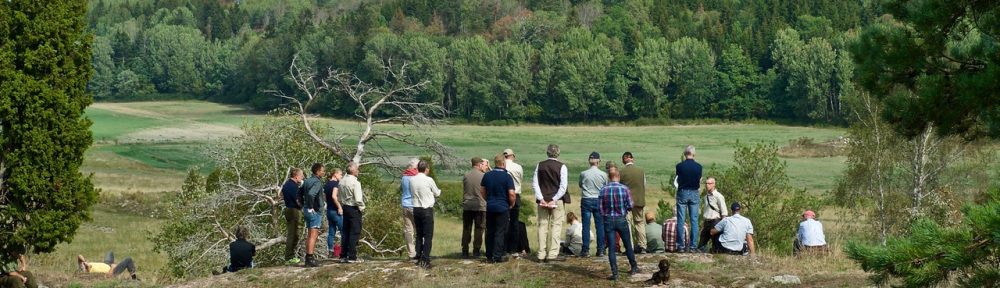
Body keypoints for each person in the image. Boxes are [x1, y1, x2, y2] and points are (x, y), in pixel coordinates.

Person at [599, 167, 640, 280]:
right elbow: (630, 205)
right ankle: (633, 266)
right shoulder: (624, 189)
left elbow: (600, 208)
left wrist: (605, 215)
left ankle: (615, 273)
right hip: (621, 218)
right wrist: (625, 210)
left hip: (608, 219)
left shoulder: (603, 190)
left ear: (609, 177)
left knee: (611, 247)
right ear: (618, 176)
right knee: (627, 244)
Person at [532, 144, 569, 262]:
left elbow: (535, 183)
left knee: (542, 226)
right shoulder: (562, 167)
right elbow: (563, 187)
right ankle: (552, 254)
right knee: (556, 226)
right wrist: (554, 198)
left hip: (542, 199)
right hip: (556, 200)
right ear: (558, 153)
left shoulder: (540, 165)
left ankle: (541, 253)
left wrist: (541, 198)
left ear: (547, 153)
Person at [482, 154, 516, 263]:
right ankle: (497, 255)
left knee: (490, 231)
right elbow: (511, 194)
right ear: (503, 163)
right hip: (502, 206)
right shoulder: (507, 176)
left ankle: (489, 255)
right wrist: (512, 203)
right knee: (500, 232)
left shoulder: (487, 175)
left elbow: (482, 191)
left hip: (490, 206)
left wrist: (487, 200)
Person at [410, 160, 442, 269]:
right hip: (426, 209)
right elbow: (437, 193)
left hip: (416, 208)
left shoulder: (412, 180)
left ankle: (418, 255)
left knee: (419, 234)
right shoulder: (429, 180)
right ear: (427, 169)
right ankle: (425, 259)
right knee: (428, 235)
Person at [578, 151, 609, 257]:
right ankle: (600, 249)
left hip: (586, 199)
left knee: (586, 226)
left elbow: (580, 185)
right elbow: (605, 187)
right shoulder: (603, 174)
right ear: (598, 161)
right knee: (600, 225)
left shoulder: (583, 173)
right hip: (598, 200)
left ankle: (585, 250)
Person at [675, 145, 703, 253]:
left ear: (685, 153)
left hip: (682, 192)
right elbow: (699, 179)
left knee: (681, 220)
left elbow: (678, 178)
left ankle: (681, 246)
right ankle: (693, 246)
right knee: (694, 220)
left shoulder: (679, 166)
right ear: (694, 154)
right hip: (694, 192)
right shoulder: (699, 167)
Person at [620, 152, 648, 254]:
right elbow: (644, 185)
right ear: (632, 158)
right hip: (639, 201)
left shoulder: (621, 172)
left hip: (626, 202)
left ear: (625, 159)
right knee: (639, 223)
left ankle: (629, 247)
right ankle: (643, 246)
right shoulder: (641, 171)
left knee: (627, 223)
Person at [461, 157, 489, 259]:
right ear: (479, 164)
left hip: (467, 205)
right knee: (479, 228)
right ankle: (476, 250)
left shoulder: (466, 175)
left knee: (466, 228)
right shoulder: (483, 176)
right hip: (480, 205)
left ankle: (464, 250)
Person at [299, 163, 326, 267]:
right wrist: (311, 207)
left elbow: (299, 193)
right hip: (314, 211)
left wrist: (303, 205)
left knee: (310, 235)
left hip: (306, 210)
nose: (324, 172)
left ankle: (308, 258)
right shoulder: (317, 182)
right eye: (322, 170)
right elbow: (311, 194)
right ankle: (310, 258)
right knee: (313, 235)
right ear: (318, 171)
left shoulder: (306, 181)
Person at [339, 162, 366, 263]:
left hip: (345, 207)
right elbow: (358, 198)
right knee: (354, 232)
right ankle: (352, 256)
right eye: (357, 169)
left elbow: (339, 196)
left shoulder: (341, 181)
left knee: (345, 231)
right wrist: (362, 207)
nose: (358, 171)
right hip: (353, 208)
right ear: (353, 170)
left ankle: (343, 255)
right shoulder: (355, 183)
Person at [502, 149, 524, 257]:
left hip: (504, 195)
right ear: (513, 156)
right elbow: (521, 179)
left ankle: (504, 247)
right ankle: (513, 248)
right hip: (516, 193)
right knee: (514, 222)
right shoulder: (518, 167)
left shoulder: (502, 166)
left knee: (504, 221)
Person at [281, 168, 305, 264]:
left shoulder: (286, 185)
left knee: (294, 233)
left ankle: (290, 256)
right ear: (296, 176)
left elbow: (282, 196)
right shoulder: (293, 186)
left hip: (288, 209)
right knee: (293, 234)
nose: (302, 177)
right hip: (293, 210)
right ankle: (289, 257)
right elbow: (297, 200)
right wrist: (302, 206)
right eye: (301, 175)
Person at [699, 177, 727, 253]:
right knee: (701, 244)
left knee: (716, 244)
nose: (707, 185)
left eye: (709, 183)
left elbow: (724, 211)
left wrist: (722, 225)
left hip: (715, 221)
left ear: (714, 184)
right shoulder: (705, 197)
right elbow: (705, 210)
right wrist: (703, 223)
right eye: (706, 183)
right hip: (707, 221)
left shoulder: (718, 196)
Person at [400, 158, 420, 261]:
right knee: (418, 230)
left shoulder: (404, 177)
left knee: (408, 230)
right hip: (414, 205)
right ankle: (419, 251)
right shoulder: (415, 177)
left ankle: (411, 253)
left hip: (405, 204)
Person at [324, 168, 345, 258]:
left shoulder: (326, 184)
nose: (341, 176)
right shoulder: (336, 184)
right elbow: (334, 196)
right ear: (335, 174)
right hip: (335, 211)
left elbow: (325, 197)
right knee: (343, 231)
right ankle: (344, 251)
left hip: (329, 210)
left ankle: (331, 251)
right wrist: (339, 207)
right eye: (340, 174)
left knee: (331, 232)